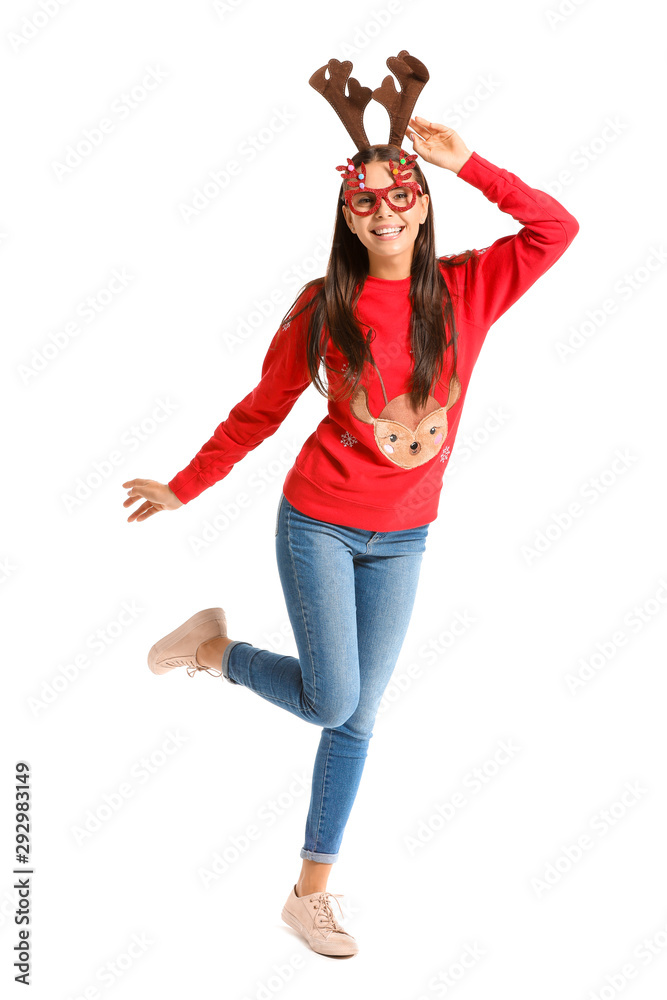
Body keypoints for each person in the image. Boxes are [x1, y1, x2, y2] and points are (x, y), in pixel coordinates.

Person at [122, 74, 579, 958]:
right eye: (362, 197)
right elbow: (262, 408)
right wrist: (187, 483)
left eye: (399, 192)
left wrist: (470, 162)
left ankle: (308, 895)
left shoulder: (466, 289)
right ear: (345, 211)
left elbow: (556, 230)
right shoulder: (322, 303)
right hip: (320, 522)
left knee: (358, 716)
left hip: (405, 534)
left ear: (420, 203)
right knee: (337, 701)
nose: (382, 210)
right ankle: (214, 649)